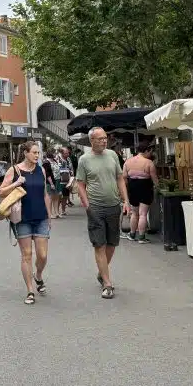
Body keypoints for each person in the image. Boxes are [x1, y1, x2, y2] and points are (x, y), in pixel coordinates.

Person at [76, 127, 130, 300]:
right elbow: (80, 184)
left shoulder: (113, 155)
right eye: (100, 139)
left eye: (105, 138)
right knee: (99, 244)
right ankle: (107, 283)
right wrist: (87, 205)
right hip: (96, 207)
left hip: (114, 205)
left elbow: (120, 178)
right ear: (92, 141)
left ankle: (102, 271)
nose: (104, 141)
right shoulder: (84, 160)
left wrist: (126, 201)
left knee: (112, 243)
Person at [0, 141, 51, 305]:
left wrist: (49, 217)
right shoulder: (14, 170)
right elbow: (0, 192)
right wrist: (16, 183)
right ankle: (30, 290)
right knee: (26, 255)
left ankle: (38, 276)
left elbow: (45, 194)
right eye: (34, 153)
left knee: (42, 255)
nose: (37, 156)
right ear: (26, 153)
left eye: (38, 153)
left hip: (41, 216)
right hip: (22, 219)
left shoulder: (41, 170)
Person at [123, 144, 159, 243]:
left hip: (132, 188)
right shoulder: (149, 162)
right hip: (145, 188)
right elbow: (154, 178)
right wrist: (158, 187)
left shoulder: (128, 161)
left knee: (134, 213)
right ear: (146, 151)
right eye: (150, 152)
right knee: (143, 214)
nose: (151, 154)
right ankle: (142, 237)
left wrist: (127, 189)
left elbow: (124, 177)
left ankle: (132, 234)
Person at [41, 149, 60, 218]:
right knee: (50, 197)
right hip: (49, 182)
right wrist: (51, 183)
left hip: (56, 180)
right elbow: (47, 174)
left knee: (56, 196)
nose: (56, 154)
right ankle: (50, 213)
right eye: (54, 152)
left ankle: (56, 212)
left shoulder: (54, 161)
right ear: (51, 154)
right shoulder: (46, 162)